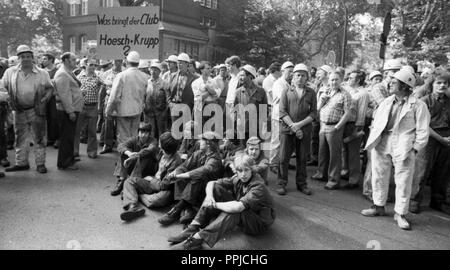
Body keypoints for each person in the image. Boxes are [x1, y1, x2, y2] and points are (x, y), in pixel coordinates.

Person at [362, 69, 430, 230]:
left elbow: (423, 131)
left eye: (394, 81)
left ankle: (400, 213)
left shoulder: (418, 105)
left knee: (403, 180)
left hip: (404, 145)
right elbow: (377, 122)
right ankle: (378, 206)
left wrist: (415, 149)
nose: (390, 83)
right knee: (378, 175)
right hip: (382, 141)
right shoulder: (386, 101)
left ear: (405, 85)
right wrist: (374, 140)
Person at [167, 154, 275, 250]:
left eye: (246, 170)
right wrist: (209, 197)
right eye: (240, 171)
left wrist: (214, 205)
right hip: (245, 209)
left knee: (234, 211)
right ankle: (193, 227)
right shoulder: (238, 178)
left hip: (258, 223)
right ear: (236, 171)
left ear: (252, 169)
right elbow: (211, 183)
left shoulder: (258, 185)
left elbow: (238, 207)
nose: (243, 174)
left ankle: (197, 239)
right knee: (216, 188)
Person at [0, 45, 54, 174]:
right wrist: (6, 98)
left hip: (36, 110)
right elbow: (3, 87)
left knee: (39, 137)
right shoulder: (10, 72)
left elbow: (50, 88)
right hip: (18, 110)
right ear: (18, 58)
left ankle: (40, 164)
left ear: (32, 58)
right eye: (22, 57)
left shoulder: (42, 73)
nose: (26, 59)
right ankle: (21, 163)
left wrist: (46, 98)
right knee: (20, 138)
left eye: (28, 56)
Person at [158, 132, 224, 227]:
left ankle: (177, 210)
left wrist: (181, 176)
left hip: (209, 194)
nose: (200, 142)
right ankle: (187, 209)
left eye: (202, 140)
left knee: (196, 178)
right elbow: (184, 166)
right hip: (195, 192)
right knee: (180, 173)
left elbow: (202, 171)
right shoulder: (199, 153)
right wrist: (176, 172)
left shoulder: (215, 160)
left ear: (209, 144)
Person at [410, 71, 450, 215]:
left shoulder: (449, 101)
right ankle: (414, 200)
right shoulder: (425, 101)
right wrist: (441, 139)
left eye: (445, 83)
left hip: (446, 140)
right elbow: (423, 125)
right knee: (422, 170)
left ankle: (438, 201)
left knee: (443, 172)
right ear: (432, 84)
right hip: (429, 138)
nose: (442, 85)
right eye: (439, 82)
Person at [120, 132, 182, 221]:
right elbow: (146, 151)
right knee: (129, 181)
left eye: (160, 143)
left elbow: (163, 186)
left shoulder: (176, 162)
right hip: (153, 181)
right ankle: (132, 206)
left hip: (164, 188)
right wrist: (132, 157)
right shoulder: (160, 152)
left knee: (155, 200)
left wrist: (151, 179)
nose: (159, 145)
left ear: (165, 147)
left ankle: (133, 195)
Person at [277, 64, 317, 196]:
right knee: (283, 158)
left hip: (304, 130)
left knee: (302, 157)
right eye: (297, 75)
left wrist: (299, 125)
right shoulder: (287, 92)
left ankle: (302, 184)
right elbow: (282, 112)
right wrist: (293, 127)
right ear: (293, 77)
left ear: (307, 78)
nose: (300, 78)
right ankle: (282, 183)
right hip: (287, 130)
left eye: (303, 75)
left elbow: (313, 114)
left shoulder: (311, 93)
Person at [312, 72, 352, 190]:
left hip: (334, 127)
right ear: (328, 81)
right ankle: (321, 174)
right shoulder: (327, 92)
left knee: (334, 155)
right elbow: (318, 109)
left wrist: (337, 127)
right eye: (332, 80)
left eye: (336, 80)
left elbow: (347, 113)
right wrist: (321, 100)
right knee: (322, 152)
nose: (333, 82)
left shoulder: (345, 94)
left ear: (341, 80)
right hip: (323, 125)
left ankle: (333, 180)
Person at [106, 51, 148, 147]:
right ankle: (132, 158)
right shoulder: (145, 77)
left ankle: (125, 159)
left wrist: (108, 111)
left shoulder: (121, 76)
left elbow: (114, 97)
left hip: (123, 111)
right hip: (137, 111)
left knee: (123, 138)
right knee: (134, 136)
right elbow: (146, 94)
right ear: (138, 62)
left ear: (127, 62)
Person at [110, 123, 159, 196]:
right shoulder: (134, 139)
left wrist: (135, 156)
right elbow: (121, 146)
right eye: (141, 132)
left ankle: (130, 185)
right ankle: (121, 180)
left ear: (149, 134)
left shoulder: (153, 141)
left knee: (145, 156)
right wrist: (128, 153)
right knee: (123, 154)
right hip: (135, 165)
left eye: (146, 133)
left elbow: (149, 150)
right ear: (138, 132)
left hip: (147, 168)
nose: (143, 135)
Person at [54, 52, 84, 170]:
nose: (76, 61)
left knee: (69, 136)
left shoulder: (67, 72)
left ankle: (68, 160)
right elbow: (64, 95)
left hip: (71, 109)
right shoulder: (62, 74)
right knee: (67, 137)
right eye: (73, 59)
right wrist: (70, 111)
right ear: (66, 60)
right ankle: (64, 163)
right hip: (67, 111)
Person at [341, 70, 369, 189]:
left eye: (351, 78)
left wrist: (357, 129)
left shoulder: (363, 93)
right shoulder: (349, 90)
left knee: (353, 153)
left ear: (358, 80)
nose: (348, 79)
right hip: (345, 123)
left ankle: (354, 180)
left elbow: (361, 113)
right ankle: (346, 172)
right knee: (345, 150)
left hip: (354, 125)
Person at [74, 58, 104, 159]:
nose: (93, 67)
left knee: (92, 131)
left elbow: (107, 85)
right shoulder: (78, 76)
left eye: (95, 65)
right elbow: (73, 89)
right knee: (77, 130)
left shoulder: (98, 78)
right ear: (85, 65)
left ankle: (92, 151)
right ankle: (75, 151)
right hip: (81, 106)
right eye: (91, 65)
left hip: (93, 107)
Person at [269, 61, 294, 173]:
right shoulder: (278, 83)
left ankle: (284, 162)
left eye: (293, 71)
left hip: (288, 117)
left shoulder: (291, 83)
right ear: (283, 71)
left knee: (287, 142)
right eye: (289, 71)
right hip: (278, 116)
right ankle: (273, 163)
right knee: (276, 141)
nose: (292, 74)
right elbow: (285, 98)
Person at [234, 65, 268, 144]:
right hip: (243, 128)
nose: (240, 78)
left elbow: (265, 111)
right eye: (239, 76)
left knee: (257, 150)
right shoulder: (238, 92)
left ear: (250, 76)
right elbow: (235, 111)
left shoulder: (261, 91)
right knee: (243, 151)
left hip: (257, 129)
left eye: (242, 75)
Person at [308, 65, 333, 166]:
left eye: (320, 72)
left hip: (323, 118)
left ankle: (321, 162)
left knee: (321, 141)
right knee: (314, 138)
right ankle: (315, 158)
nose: (317, 73)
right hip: (316, 116)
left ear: (327, 74)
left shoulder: (330, 87)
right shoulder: (320, 86)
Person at [99, 59, 123, 154]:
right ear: (113, 62)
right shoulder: (106, 74)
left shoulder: (125, 73)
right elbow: (102, 90)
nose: (118, 63)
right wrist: (100, 105)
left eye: (120, 61)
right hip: (108, 100)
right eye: (116, 61)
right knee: (108, 123)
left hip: (120, 101)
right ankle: (107, 145)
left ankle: (120, 146)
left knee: (120, 124)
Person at [167, 53, 196, 125]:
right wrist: (170, 103)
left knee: (186, 130)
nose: (179, 65)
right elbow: (168, 90)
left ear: (187, 64)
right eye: (178, 63)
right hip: (175, 107)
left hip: (187, 108)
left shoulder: (194, 78)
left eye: (181, 63)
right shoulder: (173, 76)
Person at [144, 62, 168, 139]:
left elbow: (168, 98)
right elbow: (144, 96)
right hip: (149, 111)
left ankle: (161, 146)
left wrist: (165, 111)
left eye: (156, 70)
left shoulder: (164, 83)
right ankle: (151, 146)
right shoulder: (147, 82)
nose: (153, 72)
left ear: (160, 72)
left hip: (160, 111)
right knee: (151, 130)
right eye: (152, 69)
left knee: (161, 130)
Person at [41, 53, 60, 149]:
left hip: (54, 97)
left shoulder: (57, 71)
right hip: (44, 97)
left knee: (55, 118)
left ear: (51, 60)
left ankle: (57, 138)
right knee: (47, 117)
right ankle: (50, 138)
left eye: (45, 59)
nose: (42, 60)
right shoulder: (42, 71)